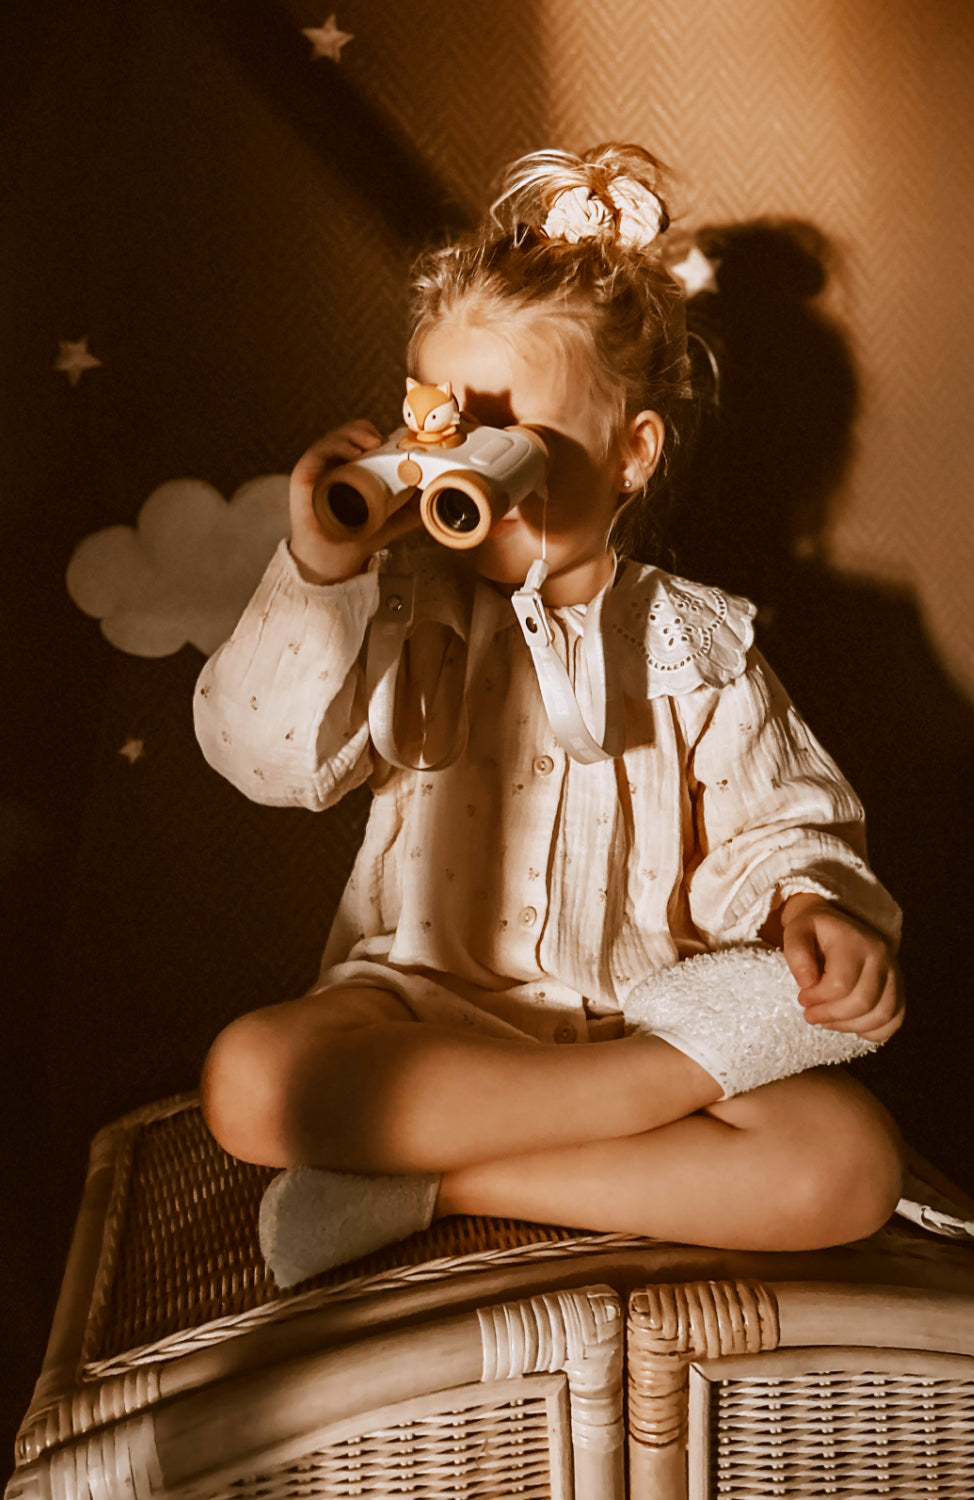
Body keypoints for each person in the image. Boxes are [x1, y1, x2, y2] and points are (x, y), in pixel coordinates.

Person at [194, 144, 905, 1287]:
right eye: (444, 427)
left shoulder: (693, 640)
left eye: (509, 437)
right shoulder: (400, 606)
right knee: (246, 1078)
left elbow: (780, 819)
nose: (472, 468)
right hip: (417, 1019)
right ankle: (605, 1114)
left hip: (635, 1016)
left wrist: (808, 905)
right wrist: (320, 569)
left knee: (849, 1164)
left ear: (631, 453)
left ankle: (430, 1183)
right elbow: (262, 754)